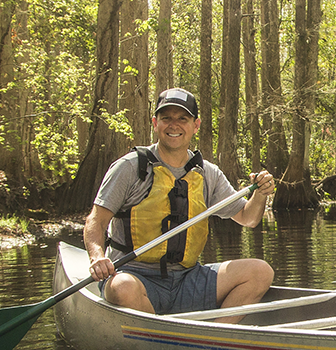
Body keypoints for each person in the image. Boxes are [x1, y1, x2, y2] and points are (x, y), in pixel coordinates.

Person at [84, 87, 275, 316]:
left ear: (196, 125)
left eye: (182, 119)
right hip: (135, 277)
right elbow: (96, 220)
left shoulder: (208, 174)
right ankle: (159, 339)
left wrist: (261, 193)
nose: (174, 125)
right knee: (122, 288)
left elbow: (248, 218)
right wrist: (97, 256)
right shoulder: (130, 167)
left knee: (260, 272)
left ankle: (215, 340)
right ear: (155, 123)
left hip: (187, 278)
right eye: (166, 118)